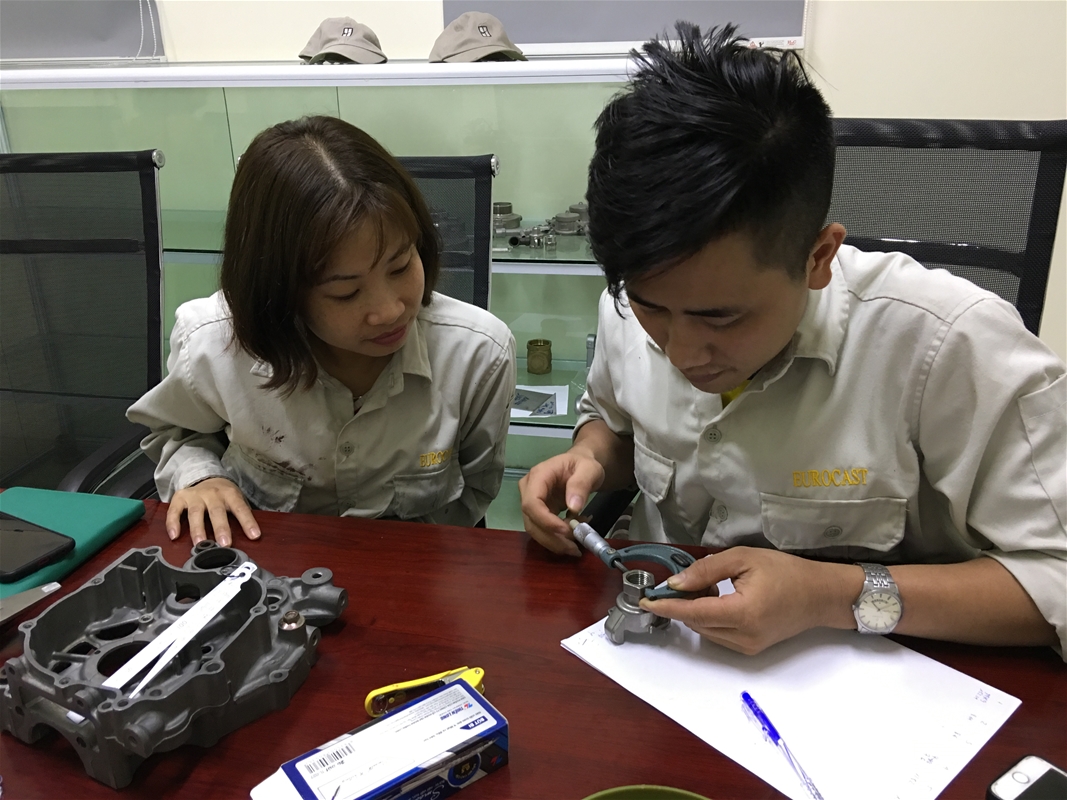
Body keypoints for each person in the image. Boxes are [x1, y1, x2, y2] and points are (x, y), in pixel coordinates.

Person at [519, 24, 1066, 658]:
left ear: (818, 257)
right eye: (651, 307)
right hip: (662, 658)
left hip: (868, 683)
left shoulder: (949, 345)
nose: (681, 351)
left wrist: (831, 594)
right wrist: (590, 457)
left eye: (720, 318)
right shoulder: (630, 300)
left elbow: (1055, 577)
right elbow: (613, 424)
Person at [129, 116, 516, 547]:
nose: (390, 311)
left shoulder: (479, 354)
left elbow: (475, 492)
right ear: (279, 291)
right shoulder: (213, 342)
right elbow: (177, 433)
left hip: (411, 570)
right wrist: (200, 477)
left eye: (401, 265)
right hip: (265, 565)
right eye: (346, 293)